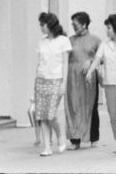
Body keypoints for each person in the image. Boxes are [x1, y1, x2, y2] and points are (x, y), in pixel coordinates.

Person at [85, 14, 116, 156]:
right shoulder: (104, 45)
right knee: (113, 114)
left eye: (109, 28)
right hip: (109, 83)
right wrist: (90, 71)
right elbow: (97, 59)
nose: (107, 31)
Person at [34, 12, 72, 156]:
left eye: (42, 24)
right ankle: (47, 148)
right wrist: (37, 79)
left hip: (57, 80)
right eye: (40, 25)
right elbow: (39, 63)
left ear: (50, 24)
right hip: (41, 80)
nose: (41, 27)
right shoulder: (41, 42)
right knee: (42, 115)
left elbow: (65, 64)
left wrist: (64, 83)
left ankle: (60, 135)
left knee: (51, 114)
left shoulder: (63, 41)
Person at [65, 12, 101, 150]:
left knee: (91, 107)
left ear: (84, 24)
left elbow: (103, 57)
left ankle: (93, 137)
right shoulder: (70, 40)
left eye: (76, 24)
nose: (73, 27)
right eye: (72, 24)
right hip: (72, 78)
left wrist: (91, 61)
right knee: (73, 107)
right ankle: (75, 140)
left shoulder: (95, 40)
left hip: (89, 78)